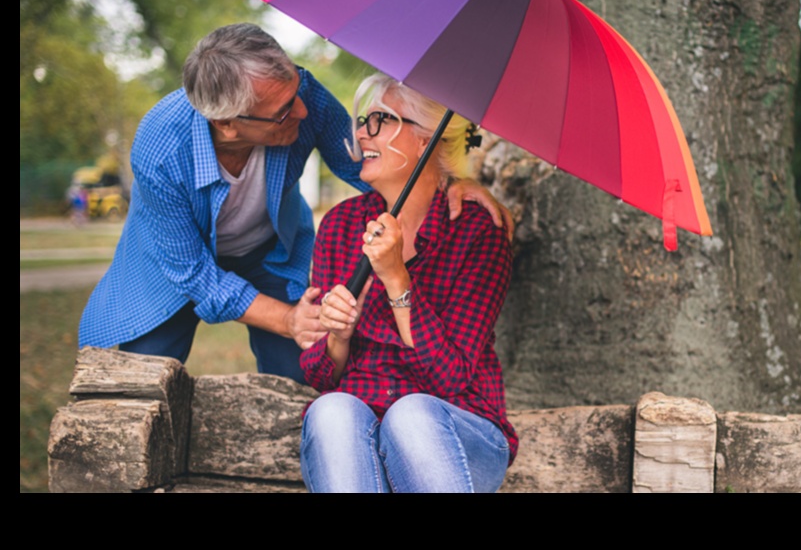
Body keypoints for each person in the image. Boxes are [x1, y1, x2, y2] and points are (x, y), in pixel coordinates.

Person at [78, 24, 509, 383]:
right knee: (140, 383)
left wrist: (451, 180)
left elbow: (372, 165)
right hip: (173, 264)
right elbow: (194, 273)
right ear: (227, 124)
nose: (303, 111)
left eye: (297, 90)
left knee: (300, 377)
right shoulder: (160, 148)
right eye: (284, 111)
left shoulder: (303, 98)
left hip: (271, 252)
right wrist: (285, 319)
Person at [300, 71, 516, 492]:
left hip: (455, 431)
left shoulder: (477, 233)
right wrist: (338, 336)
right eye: (363, 120)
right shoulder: (340, 226)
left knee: (411, 414)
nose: (361, 133)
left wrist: (397, 279)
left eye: (380, 120)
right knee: (332, 410)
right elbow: (320, 374)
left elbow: (450, 379)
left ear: (425, 140)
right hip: (360, 434)